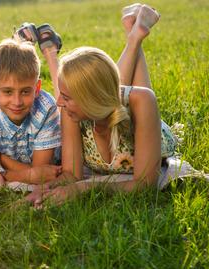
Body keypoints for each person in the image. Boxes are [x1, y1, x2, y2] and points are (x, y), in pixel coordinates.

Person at [27, 4, 184, 205]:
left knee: (139, 96)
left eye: (66, 97)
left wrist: (85, 187)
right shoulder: (70, 110)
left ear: (88, 100)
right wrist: (43, 191)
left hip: (141, 119)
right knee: (113, 91)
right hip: (106, 101)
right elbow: (71, 175)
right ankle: (134, 36)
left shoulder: (141, 101)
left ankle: (135, 37)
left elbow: (145, 184)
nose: (59, 103)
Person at [0, 38, 62, 190]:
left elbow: (41, 170)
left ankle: (51, 51)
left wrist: (2, 160)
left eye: (26, 91)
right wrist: (29, 175)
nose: (17, 102)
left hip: (54, 152)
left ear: (37, 87)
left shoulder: (45, 109)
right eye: (7, 92)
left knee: (63, 104)